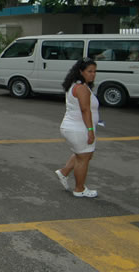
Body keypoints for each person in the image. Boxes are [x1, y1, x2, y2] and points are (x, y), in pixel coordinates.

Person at [55, 57, 99, 198]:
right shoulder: (81, 88)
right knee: (83, 158)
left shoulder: (76, 85)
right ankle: (79, 189)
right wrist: (90, 131)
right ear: (81, 71)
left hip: (73, 127)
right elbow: (85, 110)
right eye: (89, 71)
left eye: (94, 71)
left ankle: (64, 172)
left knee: (84, 154)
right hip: (79, 129)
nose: (92, 74)